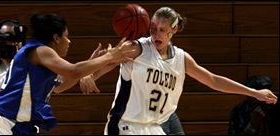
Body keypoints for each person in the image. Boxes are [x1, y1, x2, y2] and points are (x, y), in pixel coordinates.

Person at [103, 7, 278, 135]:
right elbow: (108, 60)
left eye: (162, 30)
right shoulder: (138, 48)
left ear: (174, 30)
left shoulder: (181, 58)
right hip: (125, 126)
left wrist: (254, 93)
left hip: (153, 127)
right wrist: (90, 75)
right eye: (153, 29)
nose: (156, 34)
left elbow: (213, 80)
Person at [0, 13, 135, 135]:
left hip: (22, 127)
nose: (69, 42)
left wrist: (104, 64)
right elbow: (74, 71)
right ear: (56, 38)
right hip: (3, 124)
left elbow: (61, 86)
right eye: (66, 36)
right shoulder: (39, 50)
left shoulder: (45, 60)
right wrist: (109, 56)